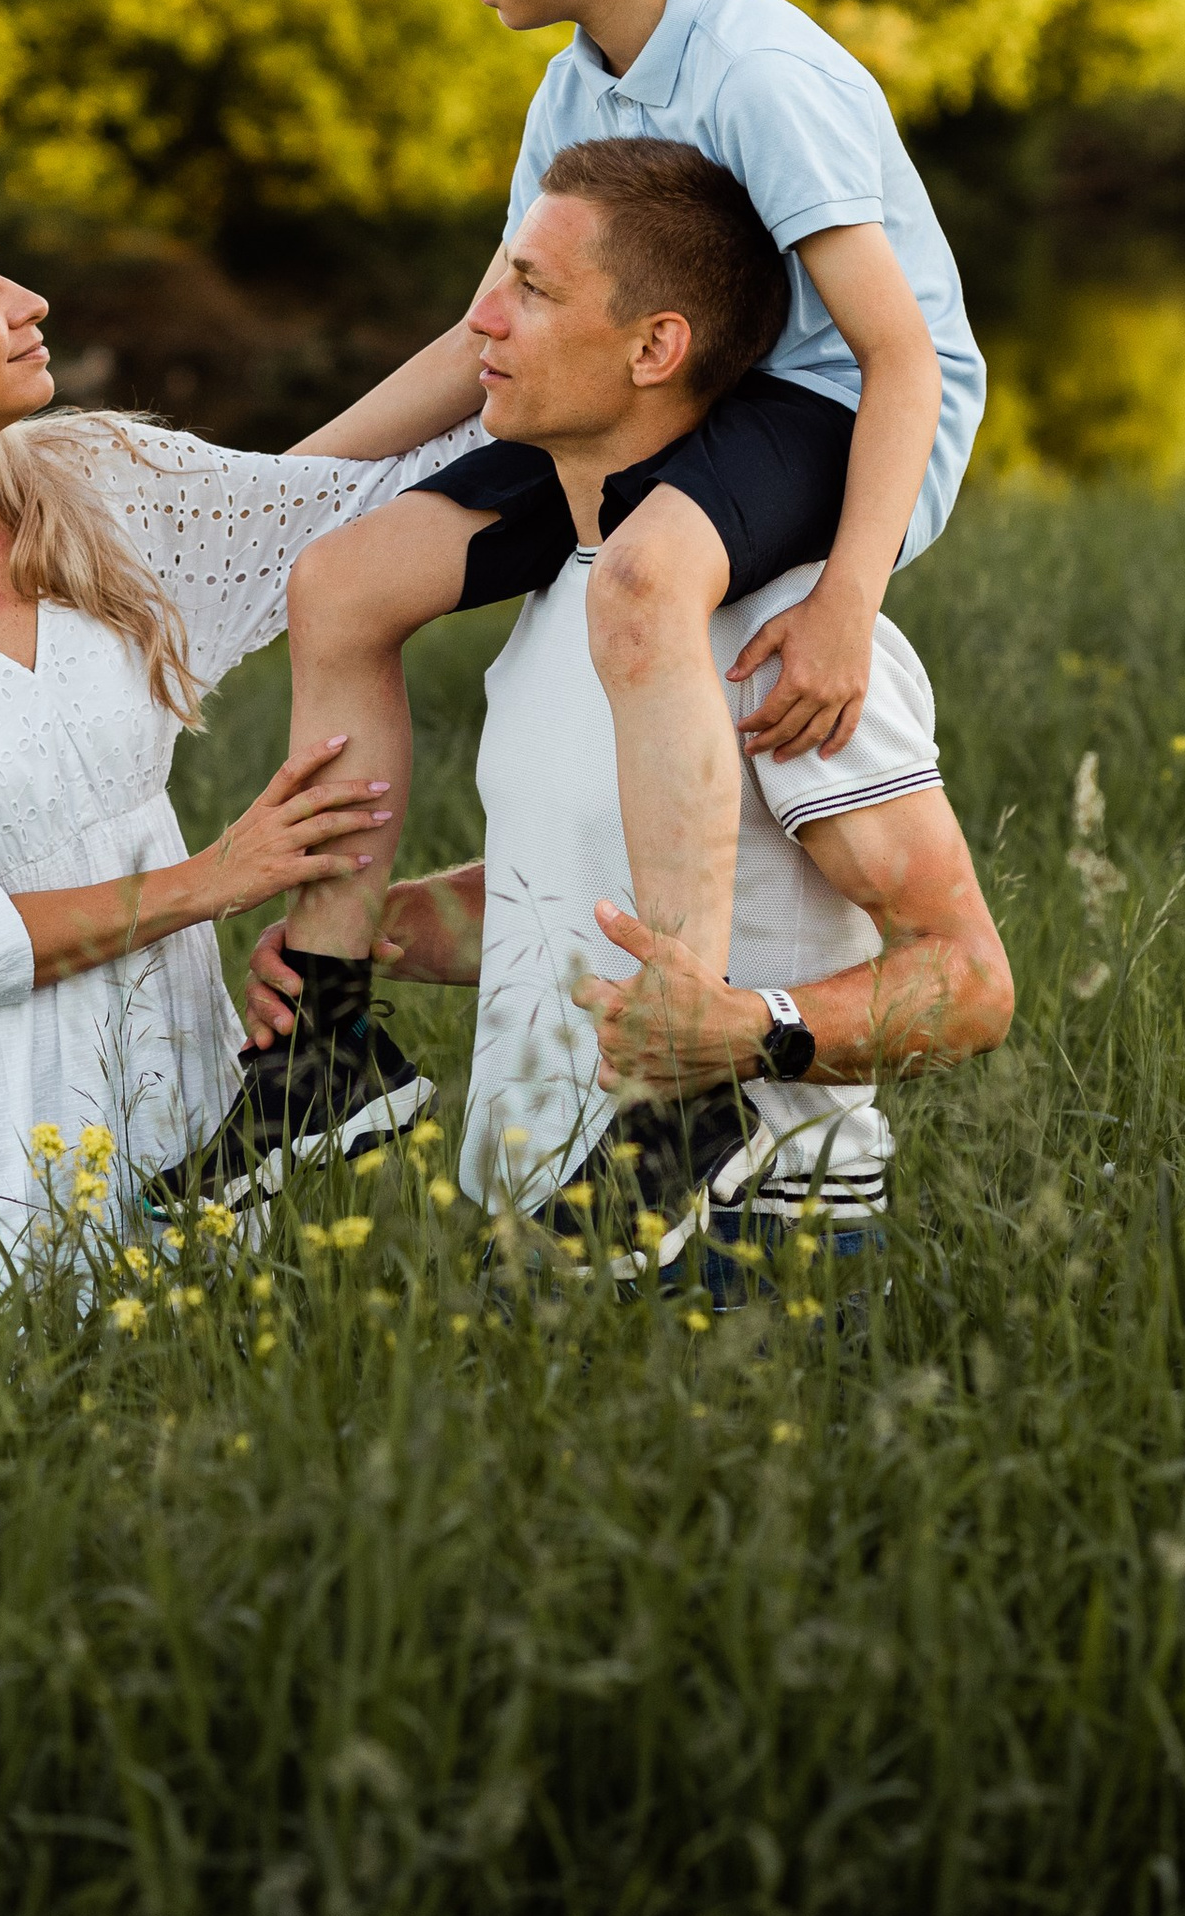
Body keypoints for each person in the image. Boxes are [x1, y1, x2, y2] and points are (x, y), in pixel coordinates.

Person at [179, 0, 988, 1207]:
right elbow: (482, 337)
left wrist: (849, 599)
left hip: (831, 401)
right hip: (661, 391)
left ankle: (675, 1080)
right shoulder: (573, 84)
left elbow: (898, 350)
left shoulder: (758, 72)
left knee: (647, 580)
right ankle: (328, 1049)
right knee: (344, 579)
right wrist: (278, 487)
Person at [0, 176, 474, 1308]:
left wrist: (537, 339)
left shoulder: (95, 483)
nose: (30, 300)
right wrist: (209, 882)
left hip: (176, 1062)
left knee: (194, 1427)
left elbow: (336, 501)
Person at [240, 135, 1012, 1268]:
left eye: (531, 291)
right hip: (541, 1231)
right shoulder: (569, 590)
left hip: (754, 1245)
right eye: (498, 278)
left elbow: (968, 979)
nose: (482, 324)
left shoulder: (774, 624)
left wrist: (754, 1031)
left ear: (656, 346)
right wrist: (383, 935)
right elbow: (577, 888)